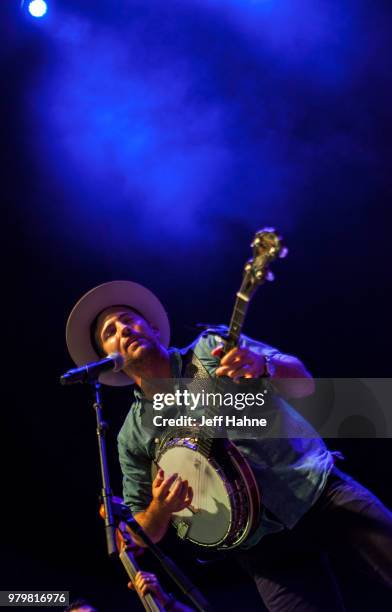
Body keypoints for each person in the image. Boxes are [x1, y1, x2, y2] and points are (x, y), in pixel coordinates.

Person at [66, 280, 392, 611]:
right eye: (110, 332)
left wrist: (263, 366)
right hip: (261, 547)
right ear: (109, 359)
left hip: (315, 488)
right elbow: (140, 533)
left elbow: (303, 383)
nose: (123, 329)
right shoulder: (132, 435)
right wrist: (160, 509)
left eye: (127, 319)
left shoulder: (209, 348)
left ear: (151, 326)